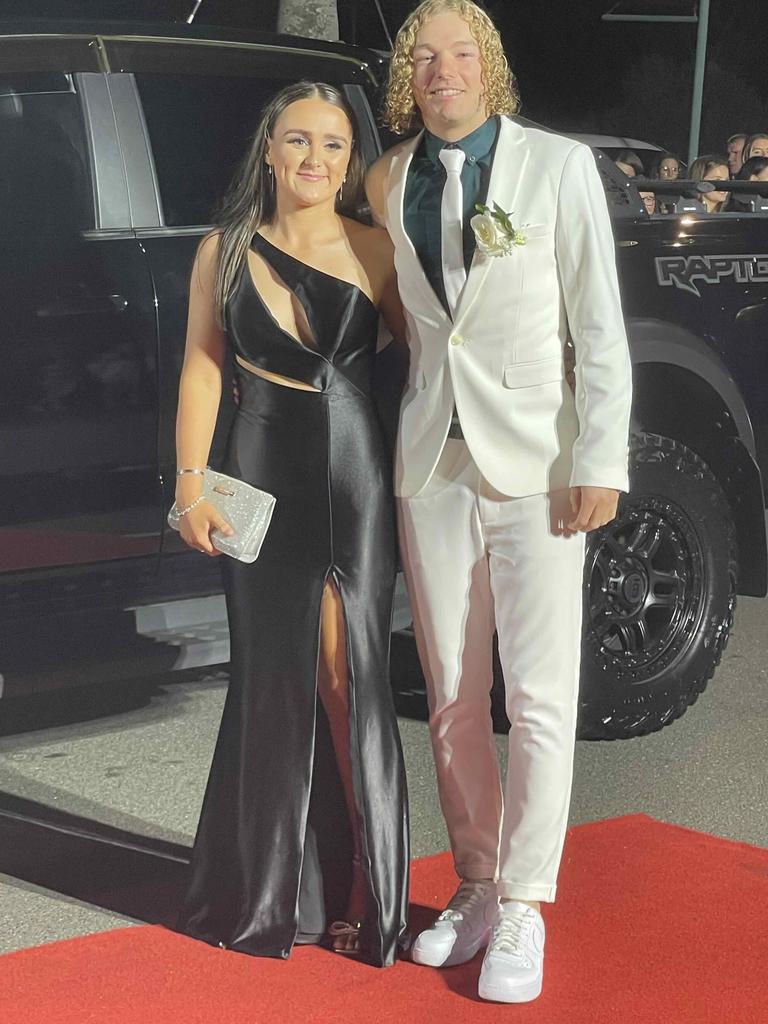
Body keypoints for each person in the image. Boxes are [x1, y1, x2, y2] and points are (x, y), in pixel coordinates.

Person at [366, 0, 632, 1005]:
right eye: (423, 55)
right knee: (447, 693)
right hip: (432, 463)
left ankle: (526, 900)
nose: (442, 69)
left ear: (490, 64)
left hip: (540, 462)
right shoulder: (389, 178)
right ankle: (475, 880)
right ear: (407, 74)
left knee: (539, 693)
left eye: (460, 52)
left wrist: (598, 458)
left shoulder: (556, 167)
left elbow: (598, 326)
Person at [174, 81, 409, 966]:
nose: (315, 160)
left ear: (353, 163)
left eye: (335, 146)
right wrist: (192, 486)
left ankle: (366, 891)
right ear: (268, 150)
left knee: (347, 678)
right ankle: (264, 888)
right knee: (271, 676)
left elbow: (429, 366)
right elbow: (203, 370)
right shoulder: (222, 251)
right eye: (299, 141)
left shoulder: (374, 250)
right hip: (257, 472)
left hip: (352, 473)